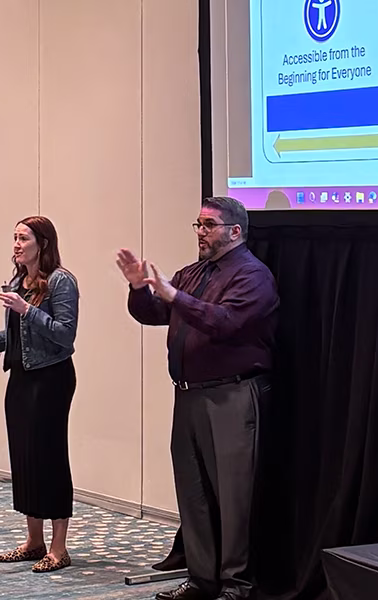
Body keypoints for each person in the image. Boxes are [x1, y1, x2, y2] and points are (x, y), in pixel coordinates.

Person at [117, 196, 279, 600]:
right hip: (188, 396)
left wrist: (175, 297)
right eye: (198, 225)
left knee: (233, 495)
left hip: (232, 395)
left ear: (235, 231)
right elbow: (155, 313)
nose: (201, 233)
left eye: (209, 225)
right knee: (195, 493)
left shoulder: (253, 276)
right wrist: (139, 289)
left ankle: (235, 584)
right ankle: (202, 579)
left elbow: (225, 322)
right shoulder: (193, 273)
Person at [0, 215, 79, 573]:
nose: (16, 244)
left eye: (23, 238)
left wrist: (26, 309)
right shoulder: (19, 281)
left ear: (41, 244)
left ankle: (59, 548)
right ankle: (34, 540)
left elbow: (64, 334)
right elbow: (17, 337)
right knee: (25, 458)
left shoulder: (61, 281)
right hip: (22, 379)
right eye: (13, 237)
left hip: (51, 379)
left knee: (50, 458)